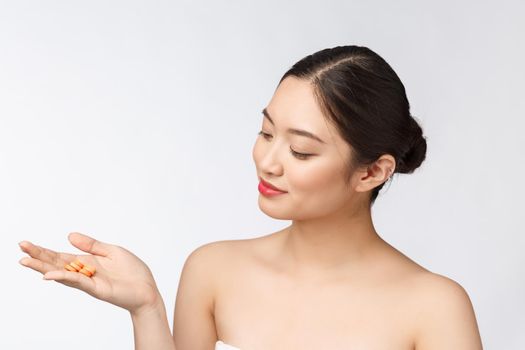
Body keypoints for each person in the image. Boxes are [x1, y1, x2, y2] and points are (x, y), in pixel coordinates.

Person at [18, 45, 483, 350]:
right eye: (266, 133)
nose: (268, 161)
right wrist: (147, 308)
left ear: (371, 172)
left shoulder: (435, 306)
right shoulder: (213, 269)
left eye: (301, 151)